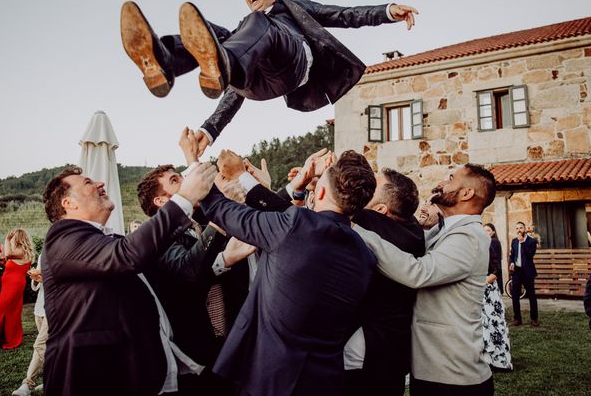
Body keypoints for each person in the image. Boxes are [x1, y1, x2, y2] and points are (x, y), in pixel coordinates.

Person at [121, 0, 418, 152]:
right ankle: (165, 63)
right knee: (221, 37)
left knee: (244, 31)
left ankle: (223, 60)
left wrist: (388, 11)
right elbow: (232, 90)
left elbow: (345, 15)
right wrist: (211, 128)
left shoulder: (290, 10)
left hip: (293, 69)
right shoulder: (248, 30)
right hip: (252, 81)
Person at [201, 150, 377, 396]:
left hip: (269, 379)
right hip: (325, 382)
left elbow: (220, 209)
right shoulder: (365, 256)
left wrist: (194, 164)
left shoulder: (295, 225)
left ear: (321, 193)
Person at [41, 163, 216, 396]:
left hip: (137, 369)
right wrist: (184, 199)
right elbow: (127, 254)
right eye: (88, 183)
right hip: (91, 377)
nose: (100, 184)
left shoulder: (103, 240)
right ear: (68, 203)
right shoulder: (62, 238)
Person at [356, 164, 497, 396]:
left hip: (453, 376)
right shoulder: (444, 230)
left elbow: (417, 272)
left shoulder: (468, 237)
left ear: (466, 193)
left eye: (450, 178)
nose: (442, 183)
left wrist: (356, 229)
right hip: (434, 370)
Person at [137, 157, 253, 396]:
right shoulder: (157, 238)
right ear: (161, 201)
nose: (186, 180)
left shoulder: (198, 222)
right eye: (175, 180)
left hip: (229, 341)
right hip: (193, 352)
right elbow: (189, 269)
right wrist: (222, 238)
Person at [344, 169, 426, 396]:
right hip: (395, 350)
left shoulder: (369, 220)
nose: (364, 188)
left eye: (371, 187)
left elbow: (317, 218)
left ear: (381, 210)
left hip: (367, 351)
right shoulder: (413, 229)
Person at [0, 228, 36, 351]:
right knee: (12, 312)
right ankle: (9, 339)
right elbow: (8, 263)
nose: (11, 241)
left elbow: (7, 254)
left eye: (13, 239)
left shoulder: (21, 250)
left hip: (14, 286)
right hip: (11, 285)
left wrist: (7, 239)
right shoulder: (18, 252)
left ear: (17, 239)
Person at [12, 253, 47, 396]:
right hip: (40, 307)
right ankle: (52, 378)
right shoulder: (42, 255)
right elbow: (36, 287)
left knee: (39, 345)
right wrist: (36, 279)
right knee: (49, 346)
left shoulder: (67, 255)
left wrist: (44, 279)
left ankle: (27, 384)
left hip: (55, 308)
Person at [481, 232, 512, 371]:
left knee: (494, 324)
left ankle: (500, 360)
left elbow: (496, 270)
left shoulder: (489, 246)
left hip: (489, 292)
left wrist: (481, 283)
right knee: (483, 326)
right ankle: (486, 358)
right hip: (477, 292)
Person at [509, 221, 539, 327]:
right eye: (517, 228)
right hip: (517, 271)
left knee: (531, 295)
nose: (519, 230)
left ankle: (534, 319)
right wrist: (511, 262)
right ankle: (517, 319)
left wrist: (522, 242)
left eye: (521, 228)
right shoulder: (513, 241)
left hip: (527, 272)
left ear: (525, 229)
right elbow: (512, 255)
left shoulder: (532, 241)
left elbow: (530, 255)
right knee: (515, 295)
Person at [484, 223, 503, 293]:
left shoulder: (492, 241)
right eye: (484, 231)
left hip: (491, 275)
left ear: (493, 232)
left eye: (488, 230)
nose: (486, 233)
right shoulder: (494, 241)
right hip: (493, 274)